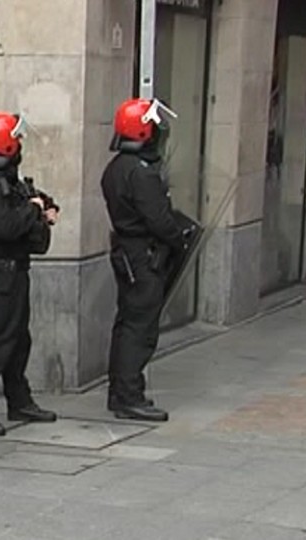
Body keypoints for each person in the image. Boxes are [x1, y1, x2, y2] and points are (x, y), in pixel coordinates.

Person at [0, 112, 59, 436]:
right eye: (15, 139)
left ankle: (19, 401)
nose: (19, 145)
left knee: (18, 340)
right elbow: (5, 226)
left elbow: (25, 204)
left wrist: (43, 205)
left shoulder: (7, 180)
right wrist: (33, 210)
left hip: (15, 271)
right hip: (0, 273)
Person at [101, 97, 187, 422]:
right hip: (143, 256)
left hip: (128, 252)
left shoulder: (117, 168)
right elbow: (159, 220)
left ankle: (120, 392)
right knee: (139, 328)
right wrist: (177, 239)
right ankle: (129, 396)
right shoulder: (141, 173)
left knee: (126, 324)